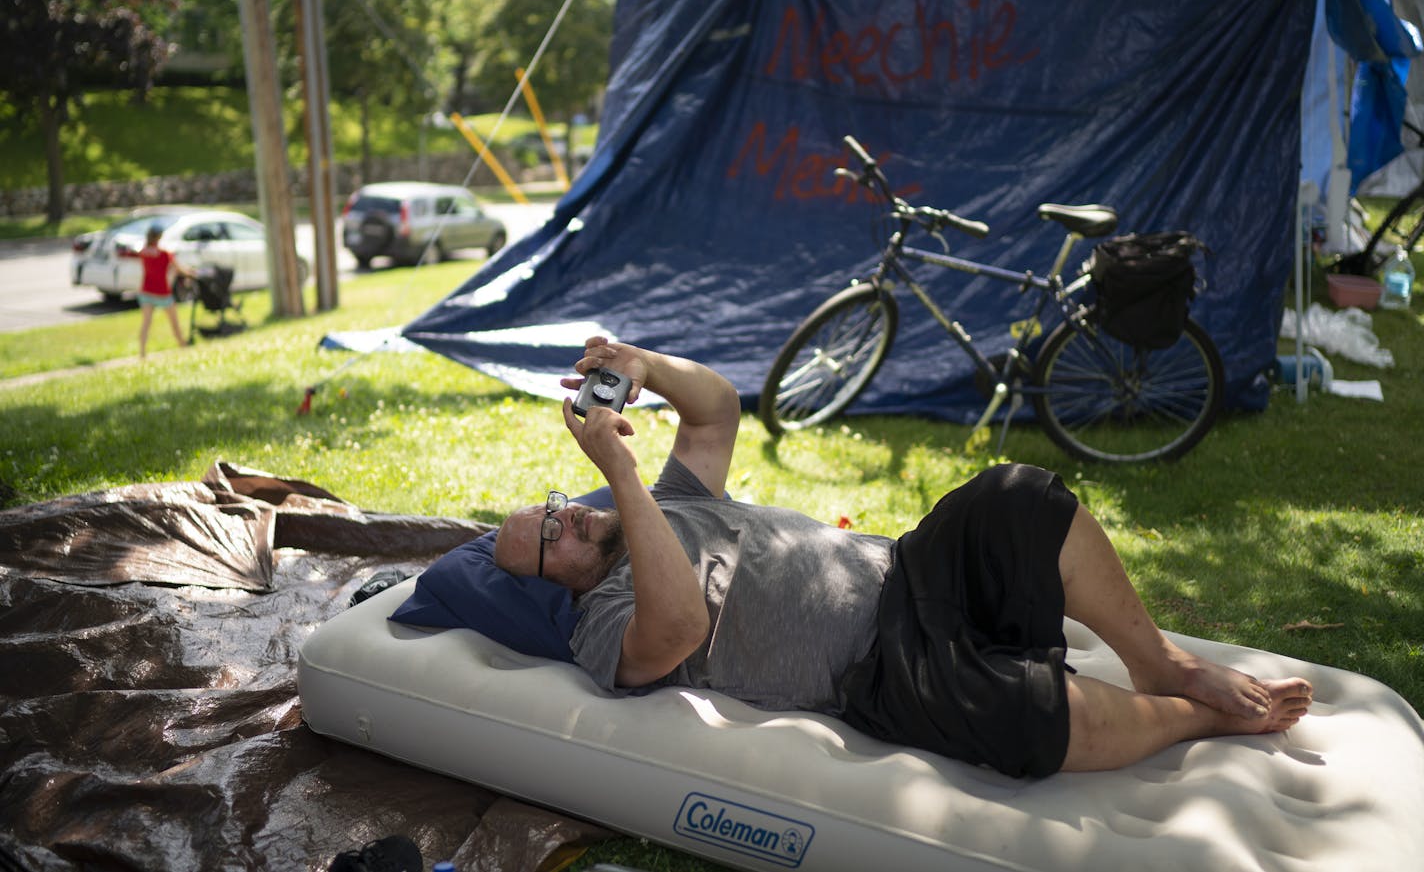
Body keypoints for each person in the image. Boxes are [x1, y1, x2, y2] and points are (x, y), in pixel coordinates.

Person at [493, 337, 1313, 778]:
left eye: (557, 507)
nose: (567, 521)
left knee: (1020, 493)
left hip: (911, 568)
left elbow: (718, 411)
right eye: (547, 538)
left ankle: (1162, 663)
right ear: (548, 585)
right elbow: (675, 627)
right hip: (884, 666)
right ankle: (1203, 717)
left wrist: (644, 365)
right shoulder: (596, 626)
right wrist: (623, 476)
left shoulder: (669, 502)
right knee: (1031, 717)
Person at [123, 225, 193, 359]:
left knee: (146, 324)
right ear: (159, 237)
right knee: (174, 323)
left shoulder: (143, 251)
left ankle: (142, 354)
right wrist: (191, 272)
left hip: (146, 291)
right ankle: (183, 347)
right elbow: (179, 269)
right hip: (162, 292)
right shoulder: (164, 253)